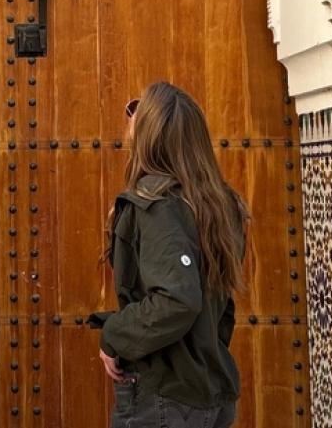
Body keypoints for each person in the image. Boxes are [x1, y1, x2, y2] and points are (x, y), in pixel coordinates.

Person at [94, 82, 249, 428]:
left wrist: (115, 335)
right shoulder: (219, 203)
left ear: (151, 133)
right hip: (207, 391)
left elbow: (178, 299)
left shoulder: (159, 205)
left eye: (137, 111)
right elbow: (221, 309)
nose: (128, 119)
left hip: (165, 398)